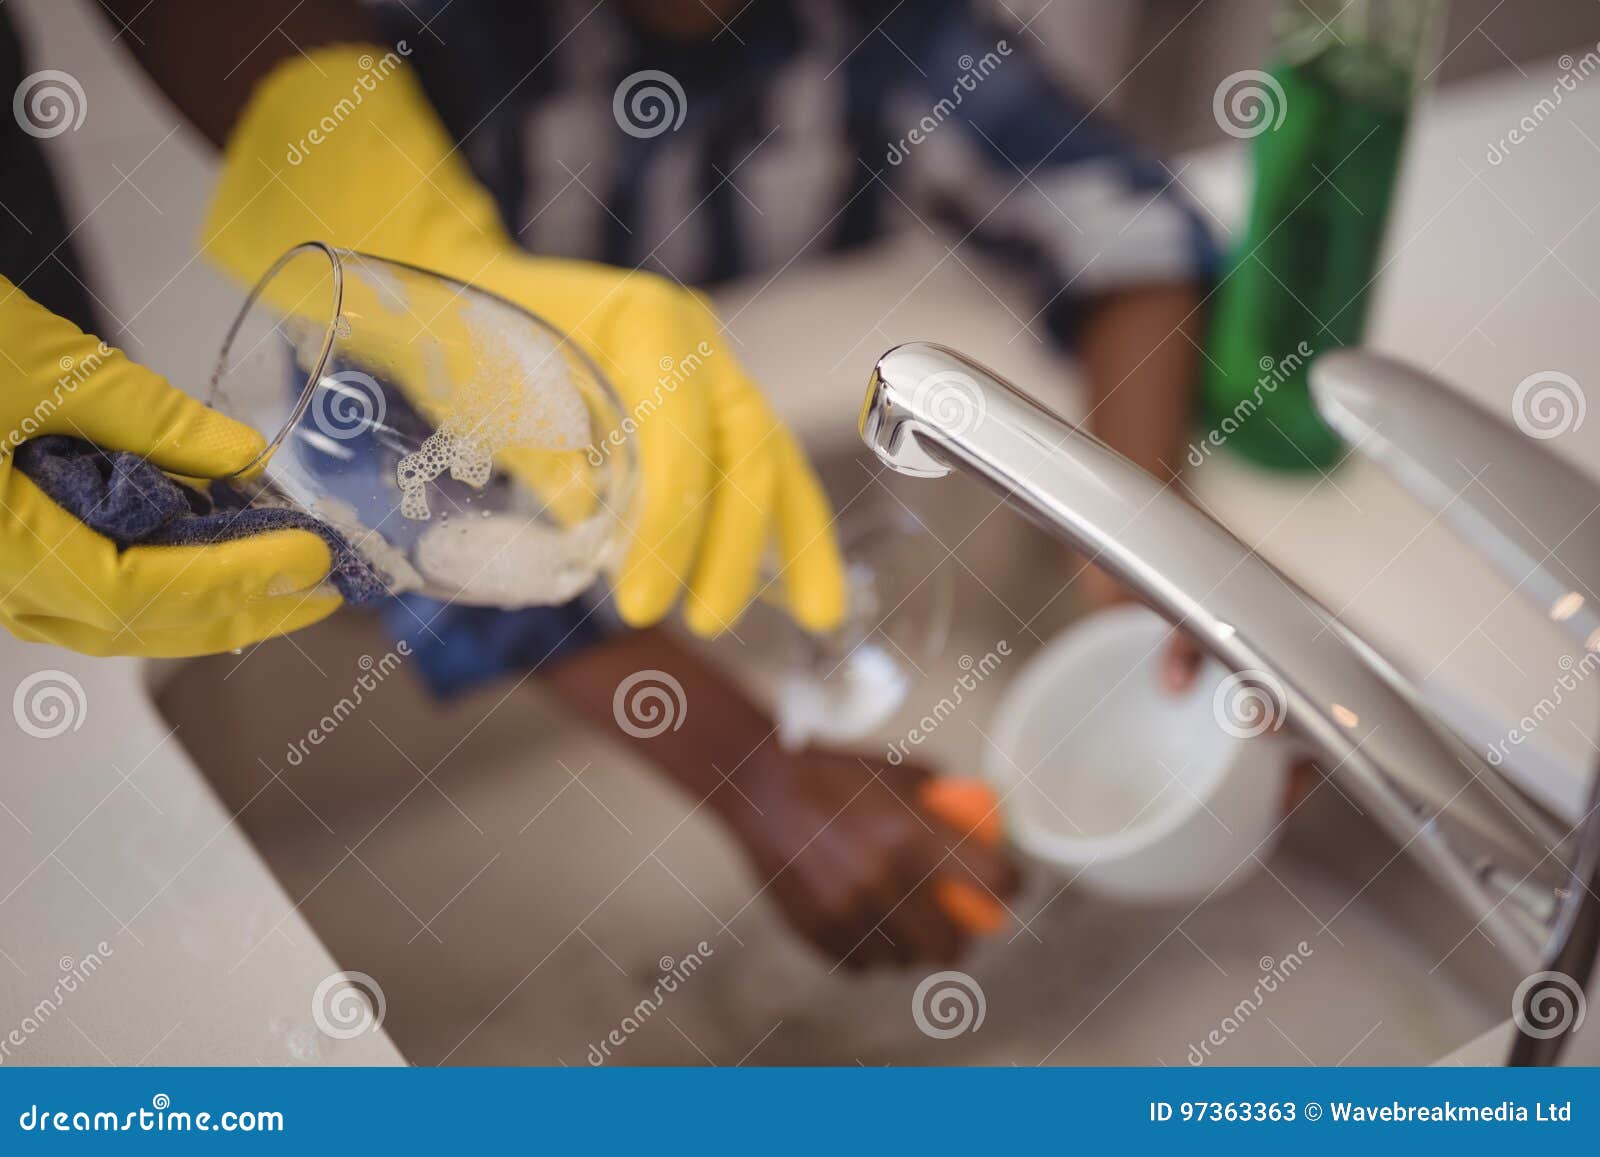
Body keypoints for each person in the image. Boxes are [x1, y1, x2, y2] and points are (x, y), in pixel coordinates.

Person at [0, 0, 1219, 966]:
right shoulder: (448, 52)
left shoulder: (890, 31)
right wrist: (747, 768)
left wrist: (1132, 553)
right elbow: (383, 485)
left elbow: (1121, 225)